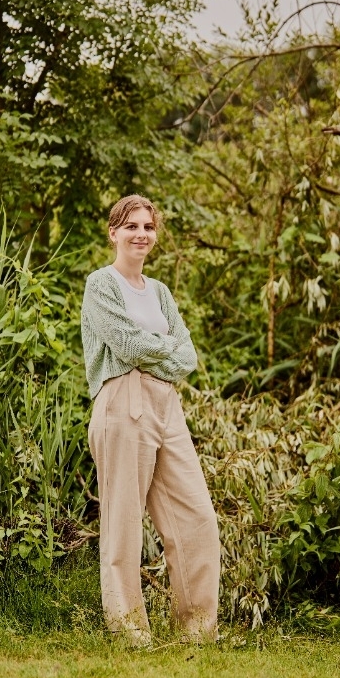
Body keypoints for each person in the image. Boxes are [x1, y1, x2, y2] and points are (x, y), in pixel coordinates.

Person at [81, 194, 221, 646]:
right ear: (114, 233)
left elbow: (188, 357)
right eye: (131, 226)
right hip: (122, 400)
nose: (141, 234)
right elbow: (126, 346)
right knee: (123, 523)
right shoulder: (101, 285)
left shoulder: (159, 292)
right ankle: (130, 632)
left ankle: (197, 630)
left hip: (166, 405)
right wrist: (163, 348)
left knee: (197, 517)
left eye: (148, 226)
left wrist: (154, 350)